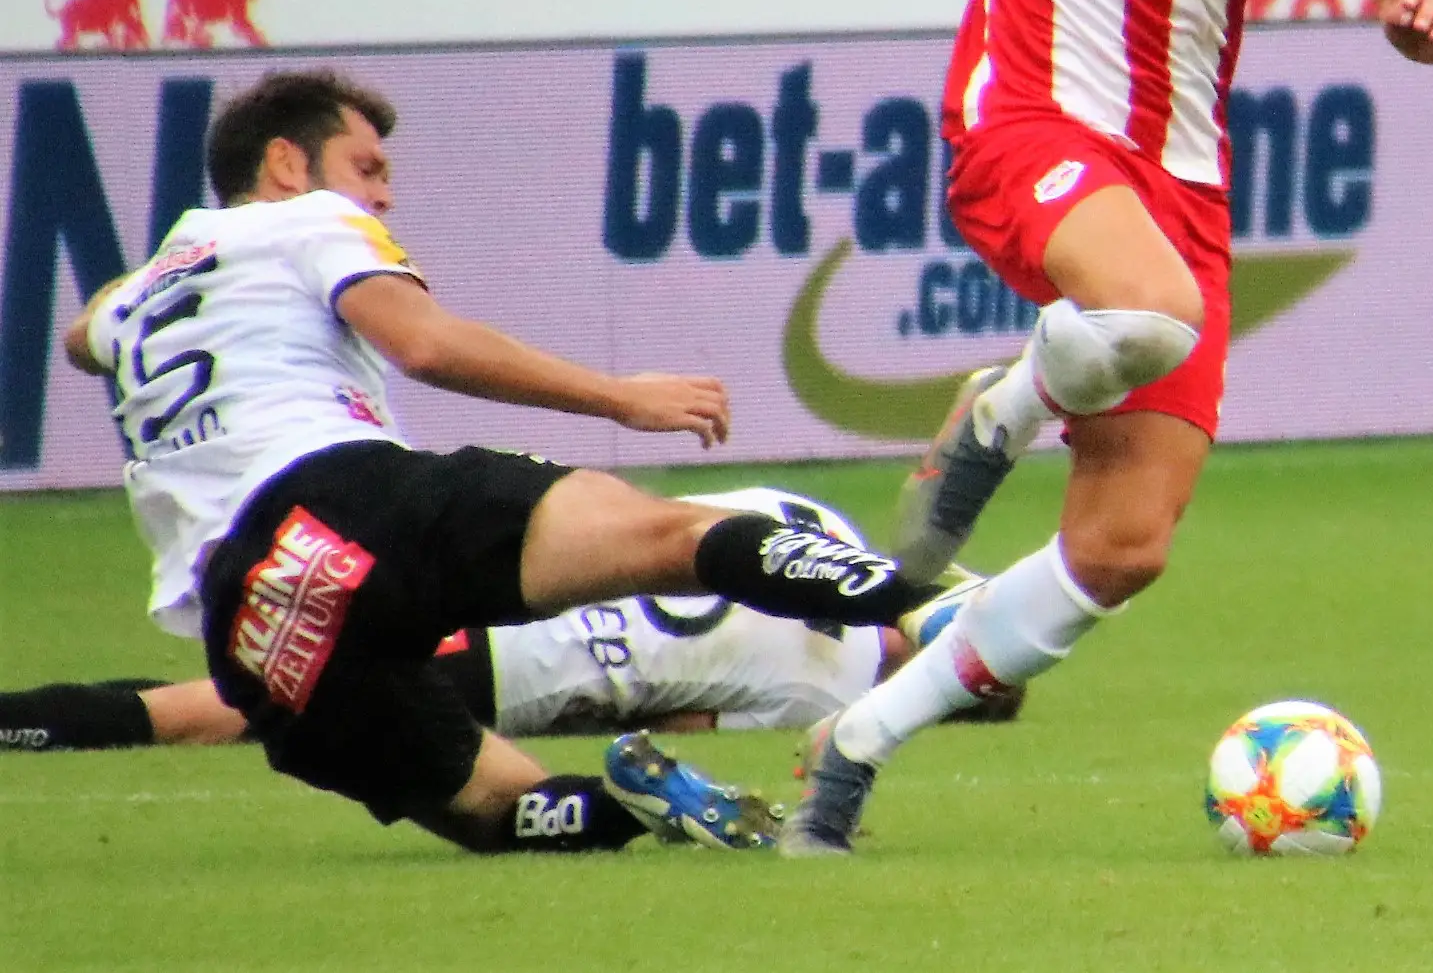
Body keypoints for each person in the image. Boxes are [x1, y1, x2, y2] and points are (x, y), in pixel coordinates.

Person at [602, 0, 1433, 856]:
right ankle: (1001, 409)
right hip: (1022, 119)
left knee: (1122, 548)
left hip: (1176, 176)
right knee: (1148, 311)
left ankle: (857, 741)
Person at [60, 68, 946, 852]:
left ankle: (642, 810)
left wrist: (139, 282)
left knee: (499, 809)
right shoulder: (309, 218)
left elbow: (78, 338)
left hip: (248, 621)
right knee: (671, 534)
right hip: (337, 499)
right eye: (368, 168)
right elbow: (425, 345)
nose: (382, 198)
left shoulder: (134, 301)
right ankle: (937, 609)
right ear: (288, 164)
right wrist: (620, 397)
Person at [0, 489, 1010, 751]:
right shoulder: (822, 693)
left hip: (512, 569)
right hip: (526, 671)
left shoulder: (809, 519)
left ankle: (29, 717)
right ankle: (22, 725)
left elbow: (682, 527)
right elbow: (671, 725)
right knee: (224, 711)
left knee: (234, 685)